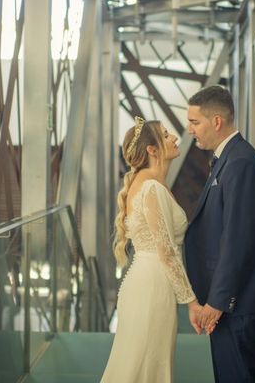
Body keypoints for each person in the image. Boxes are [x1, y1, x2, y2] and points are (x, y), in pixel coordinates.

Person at [185, 85, 255, 382]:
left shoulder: (240, 163)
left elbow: (238, 240)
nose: (190, 130)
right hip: (236, 300)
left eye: (195, 122)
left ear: (216, 121)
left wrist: (217, 303)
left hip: (241, 303)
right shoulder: (228, 158)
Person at [101, 117, 204, 383]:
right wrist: (192, 303)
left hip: (146, 284)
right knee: (147, 369)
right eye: (167, 135)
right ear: (152, 149)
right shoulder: (152, 188)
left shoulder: (148, 185)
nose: (174, 138)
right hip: (153, 289)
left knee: (141, 367)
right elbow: (167, 252)